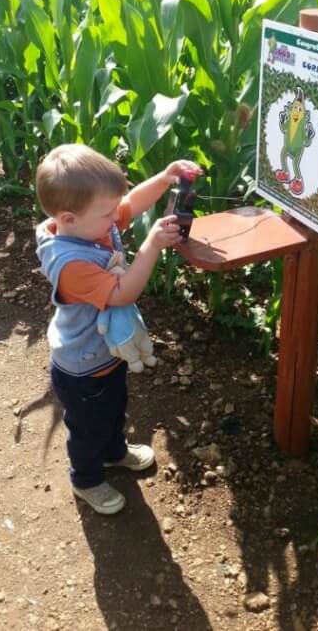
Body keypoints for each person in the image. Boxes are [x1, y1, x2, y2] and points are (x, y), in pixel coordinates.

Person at [35, 144, 201, 514]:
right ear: (68, 217)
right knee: (87, 427)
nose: (117, 219)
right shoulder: (71, 263)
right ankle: (86, 479)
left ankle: (113, 453)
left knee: (113, 409)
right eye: (108, 214)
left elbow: (129, 205)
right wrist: (151, 245)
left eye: (114, 210)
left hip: (105, 356)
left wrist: (164, 178)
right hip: (81, 366)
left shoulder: (91, 224)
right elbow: (123, 292)